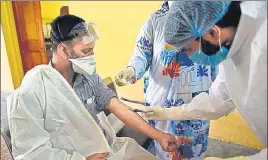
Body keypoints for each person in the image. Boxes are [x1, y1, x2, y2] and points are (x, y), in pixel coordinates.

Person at [7, 15, 181, 160]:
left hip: (105, 148)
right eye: (86, 52)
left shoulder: (89, 78)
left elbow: (120, 108)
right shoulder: (36, 88)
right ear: (63, 50)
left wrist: (159, 136)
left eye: (92, 50)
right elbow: (32, 151)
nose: (92, 56)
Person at [141, 1, 267, 159]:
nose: (188, 56)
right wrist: (171, 112)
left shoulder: (263, 44)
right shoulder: (230, 48)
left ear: (213, 33)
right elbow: (218, 99)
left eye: (188, 49)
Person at [115, 1, 218, 159]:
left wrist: (218, 93)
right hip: (161, 102)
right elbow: (142, 53)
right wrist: (131, 70)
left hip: (195, 101)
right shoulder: (155, 21)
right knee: (166, 148)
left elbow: (216, 61)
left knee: (194, 150)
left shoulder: (207, 21)